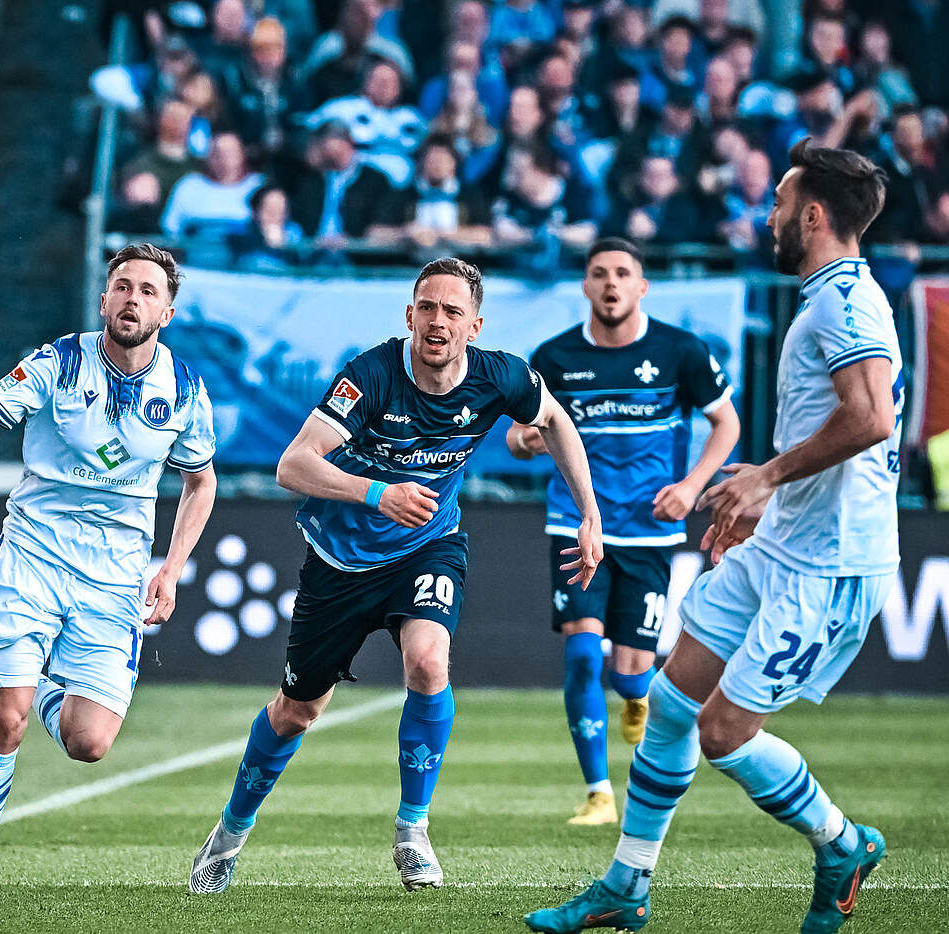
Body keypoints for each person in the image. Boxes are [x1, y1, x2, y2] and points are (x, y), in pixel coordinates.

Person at [524, 140, 900, 934]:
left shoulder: (844, 300)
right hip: (787, 544)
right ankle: (626, 887)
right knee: (667, 704)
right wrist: (769, 494)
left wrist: (765, 477)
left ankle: (842, 843)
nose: (769, 218)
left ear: (812, 215)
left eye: (779, 203)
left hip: (830, 564)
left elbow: (872, 418)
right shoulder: (827, 297)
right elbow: (841, 429)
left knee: (723, 731)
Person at [189, 257, 605, 894]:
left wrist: (589, 513)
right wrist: (376, 493)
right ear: (410, 315)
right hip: (340, 560)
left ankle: (413, 830)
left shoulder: (500, 376)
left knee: (428, 662)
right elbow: (292, 465)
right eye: (428, 308)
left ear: (474, 326)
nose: (438, 321)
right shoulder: (370, 376)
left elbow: (554, 421)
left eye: (453, 312)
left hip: (429, 546)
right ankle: (229, 834)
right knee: (297, 712)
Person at [0, 243, 218, 909]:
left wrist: (172, 568)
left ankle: (30, 690)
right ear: (103, 300)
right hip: (33, 557)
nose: (132, 299)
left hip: (115, 577)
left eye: (147, 291)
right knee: (6, 723)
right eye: (122, 286)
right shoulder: (60, 362)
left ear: (167, 313)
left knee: (89, 743)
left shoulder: (186, 391)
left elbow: (200, 481)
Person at [507, 237, 740, 826]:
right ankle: (599, 794)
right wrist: (528, 440)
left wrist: (692, 487)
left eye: (622, 273)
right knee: (584, 655)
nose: (611, 283)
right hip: (577, 523)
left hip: (649, 531)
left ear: (642, 286)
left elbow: (726, 423)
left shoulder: (680, 351)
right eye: (599, 273)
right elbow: (515, 436)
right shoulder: (555, 358)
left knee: (630, 673)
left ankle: (635, 696)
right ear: (585, 286)